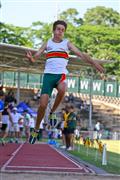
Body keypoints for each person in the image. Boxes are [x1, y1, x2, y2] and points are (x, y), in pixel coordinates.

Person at [26, 20, 104, 144]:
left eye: (63, 30)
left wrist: (94, 63)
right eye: (58, 29)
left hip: (60, 75)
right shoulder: (48, 43)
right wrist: (31, 59)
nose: (60, 31)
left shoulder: (67, 43)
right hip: (48, 77)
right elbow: (35, 58)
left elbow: (82, 55)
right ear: (53, 30)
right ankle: (36, 129)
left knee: (63, 89)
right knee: (42, 105)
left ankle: (52, 112)